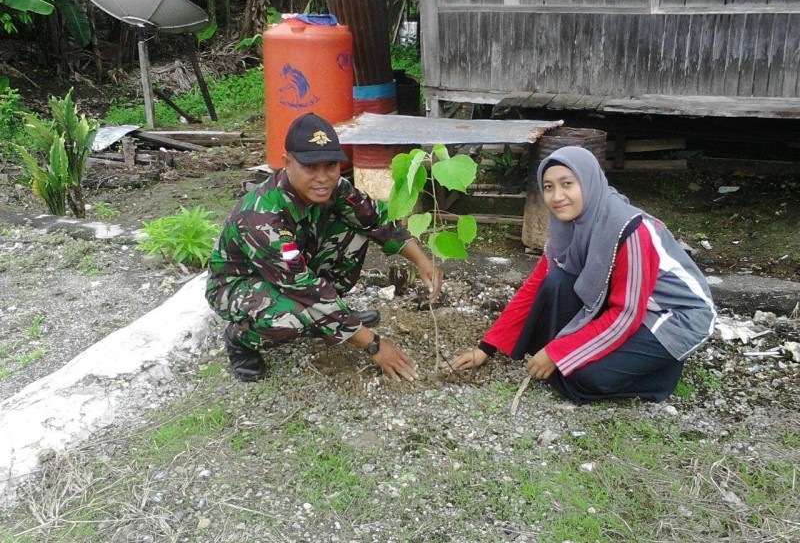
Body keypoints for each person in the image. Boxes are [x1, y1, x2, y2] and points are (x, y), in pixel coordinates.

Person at [449, 145, 716, 403]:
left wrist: (556, 352)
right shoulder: (568, 228)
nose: (557, 196)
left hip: (674, 316)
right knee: (556, 282)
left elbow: (627, 313)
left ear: (588, 183)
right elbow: (536, 285)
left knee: (585, 377)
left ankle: (663, 369)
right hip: (629, 305)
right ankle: (625, 356)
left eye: (567, 184)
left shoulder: (630, 230)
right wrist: (486, 347)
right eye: (548, 187)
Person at [206, 112, 443, 383]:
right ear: (287, 164)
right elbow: (303, 287)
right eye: (310, 167)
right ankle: (240, 340)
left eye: (330, 165)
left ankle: (329, 317)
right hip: (239, 284)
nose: (322, 178)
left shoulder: (335, 187)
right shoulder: (262, 217)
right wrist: (374, 345)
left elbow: (375, 219)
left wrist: (422, 260)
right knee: (290, 318)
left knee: (355, 230)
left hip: (292, 273)